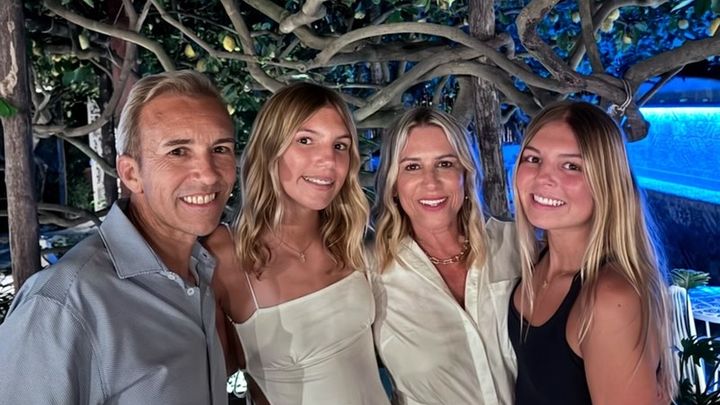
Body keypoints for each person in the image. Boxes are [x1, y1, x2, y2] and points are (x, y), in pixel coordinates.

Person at [0, 70, 236, 404]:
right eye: (178, 152)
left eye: (221, 149)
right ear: (131, 173)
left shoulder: (200, 275)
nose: (209, 174)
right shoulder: (63, 304)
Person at [205, 82, 390, 404]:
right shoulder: (223, 255)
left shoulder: (353, 241)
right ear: (270, 149)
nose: (328, 160)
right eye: (305, 140)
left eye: (340, 146)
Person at [507, 101, 676, 404]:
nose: (543, 177)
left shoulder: (609, 299)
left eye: (571, 166)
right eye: (533, 159)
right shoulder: (536, 261)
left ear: (607, 182)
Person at [370, 107, 520, 404]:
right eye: (412, 167)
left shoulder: (516, 245)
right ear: (393, 185)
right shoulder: (369, 270)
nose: (431, 182)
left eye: (445, 163)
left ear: (466, 174)